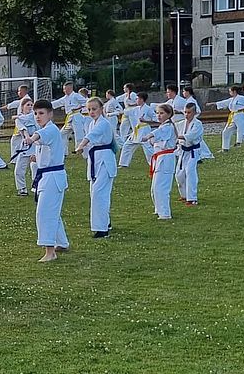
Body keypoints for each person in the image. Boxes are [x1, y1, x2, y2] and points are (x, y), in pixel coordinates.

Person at [24, 100, 69, 262]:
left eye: (41, 113)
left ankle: (50, 251)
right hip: (47, 176)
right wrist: (37, 157)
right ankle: (61, 243)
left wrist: (30, 138)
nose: (38, 116)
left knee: (44, 212)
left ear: (50, 114)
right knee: (52, 210)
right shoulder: (45, 130)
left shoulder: (50, 129)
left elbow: (39, 136)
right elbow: (49, 150)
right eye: (35, 113)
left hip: (52, 177)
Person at [75, 98, 117, 238]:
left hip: (105, 159)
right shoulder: (91, 123)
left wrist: (81, 145)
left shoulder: (104, 123)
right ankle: (106, 222)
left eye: (94, 109)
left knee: (99, 193)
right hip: (95, 159)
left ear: (101, 109)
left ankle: (102, 229)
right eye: (89, 109)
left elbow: (91, 136)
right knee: (95, 192)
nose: (91, 112)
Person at [143, 104, 178, 220]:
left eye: (162, 113)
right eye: (157, 113)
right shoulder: (163, 126)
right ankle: (158, 209)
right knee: (155, 187)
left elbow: (157, 133)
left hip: (166, 158)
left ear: (169, 114)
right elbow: (155, 139)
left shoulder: (168, 127)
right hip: (160, 158)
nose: (159, 115)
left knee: (161, 187)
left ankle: (165, 213)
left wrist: (148, 136)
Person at [207, 85, 244, 152]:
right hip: (233, 117)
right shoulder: (231, 99)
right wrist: (212, 104)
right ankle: (225, 148)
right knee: (226, 131)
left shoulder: (242, 98)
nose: (229, 93)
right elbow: (223, 102)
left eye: (230, 91)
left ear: (234, 91)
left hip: (240, 116)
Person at [176, 103, 203, 206]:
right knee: (179, 174)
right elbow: (172, 128)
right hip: (183, 151)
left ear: (194, 113)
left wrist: (178, 136)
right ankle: (184, 195)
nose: (186, 115)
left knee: (190, 172)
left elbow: (191, 136)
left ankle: (192, 198)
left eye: (189, 112)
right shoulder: (181, 123)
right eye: (185, 112)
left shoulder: (198, 124)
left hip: (193, 151)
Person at [118, 92, 155, 167]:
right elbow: (125, 112)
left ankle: (154, 163)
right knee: (127, 146)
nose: (136, 100)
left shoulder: (148, 109)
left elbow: (156, 119)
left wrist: (146, 121)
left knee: (148, 149)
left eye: (137, 99)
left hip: (145, 131)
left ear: (141, 99)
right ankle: (123, 164)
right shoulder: (135, 109)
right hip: (136, 131)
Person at [51, 81, 87, 154]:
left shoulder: (76, 96)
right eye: (63, 89)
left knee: (79, 134)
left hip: (76, 117)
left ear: (70, 88)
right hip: (69, 117)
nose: (64, 91)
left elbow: (86, 102)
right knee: (62, 134)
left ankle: (81, 151)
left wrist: (79, 107)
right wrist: (46, 105)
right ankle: (64, 152)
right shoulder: (65, 98)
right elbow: (57, 103)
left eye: (65, 89)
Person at [12, 98, 37, 196]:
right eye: (28, 105)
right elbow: (22, 128)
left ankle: (36, 186)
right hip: (25, 145)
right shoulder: (19, 119)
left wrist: (17, 117)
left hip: (36, 143)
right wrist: (27, 137)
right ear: (22, 107)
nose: (30, 107)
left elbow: (28, 119)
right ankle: (22, 189)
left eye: (31, 105)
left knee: (34, 165)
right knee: (18, 170)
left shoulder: (34, 116)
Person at [1, 84, 32, 163]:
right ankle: (20, 157)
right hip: (21, 123)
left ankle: (15, 159)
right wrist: (1, 108)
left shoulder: (26, 100)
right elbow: (12, 104)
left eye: (19, 91)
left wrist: (18, 117)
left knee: (15, 140)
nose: (18, 93)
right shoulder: (23, 100)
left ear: (23, 91)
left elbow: (27, 113)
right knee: (19, 140)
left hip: (24, 123)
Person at [182, 87, 214, 161]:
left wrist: (193, 118)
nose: (183, 93)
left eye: (184, 91)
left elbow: (198, 111)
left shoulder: (192, 101)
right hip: (188, 121)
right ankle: (204, 153)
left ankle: (205, 154)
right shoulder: (187, 100)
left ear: (188, 92)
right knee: (195, 139)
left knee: (195, 139)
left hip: (193, 122)